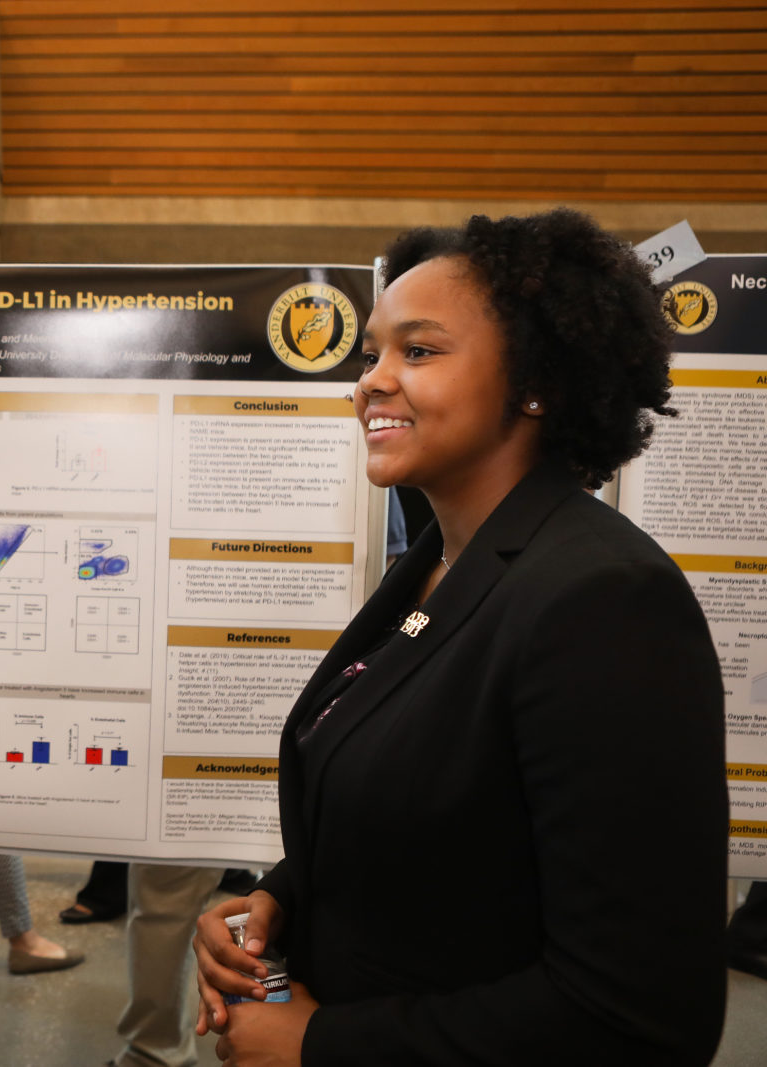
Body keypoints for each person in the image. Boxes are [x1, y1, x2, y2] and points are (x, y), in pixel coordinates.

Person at [192, 209, 728, 1065]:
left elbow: (642, 1013)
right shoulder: (441, 565)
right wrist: (280, 899)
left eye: (420, 351)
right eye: (371, 354)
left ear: (535, 381)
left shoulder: (603, 599)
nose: (371, 380)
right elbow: (445, 818)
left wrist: (323, 1042)